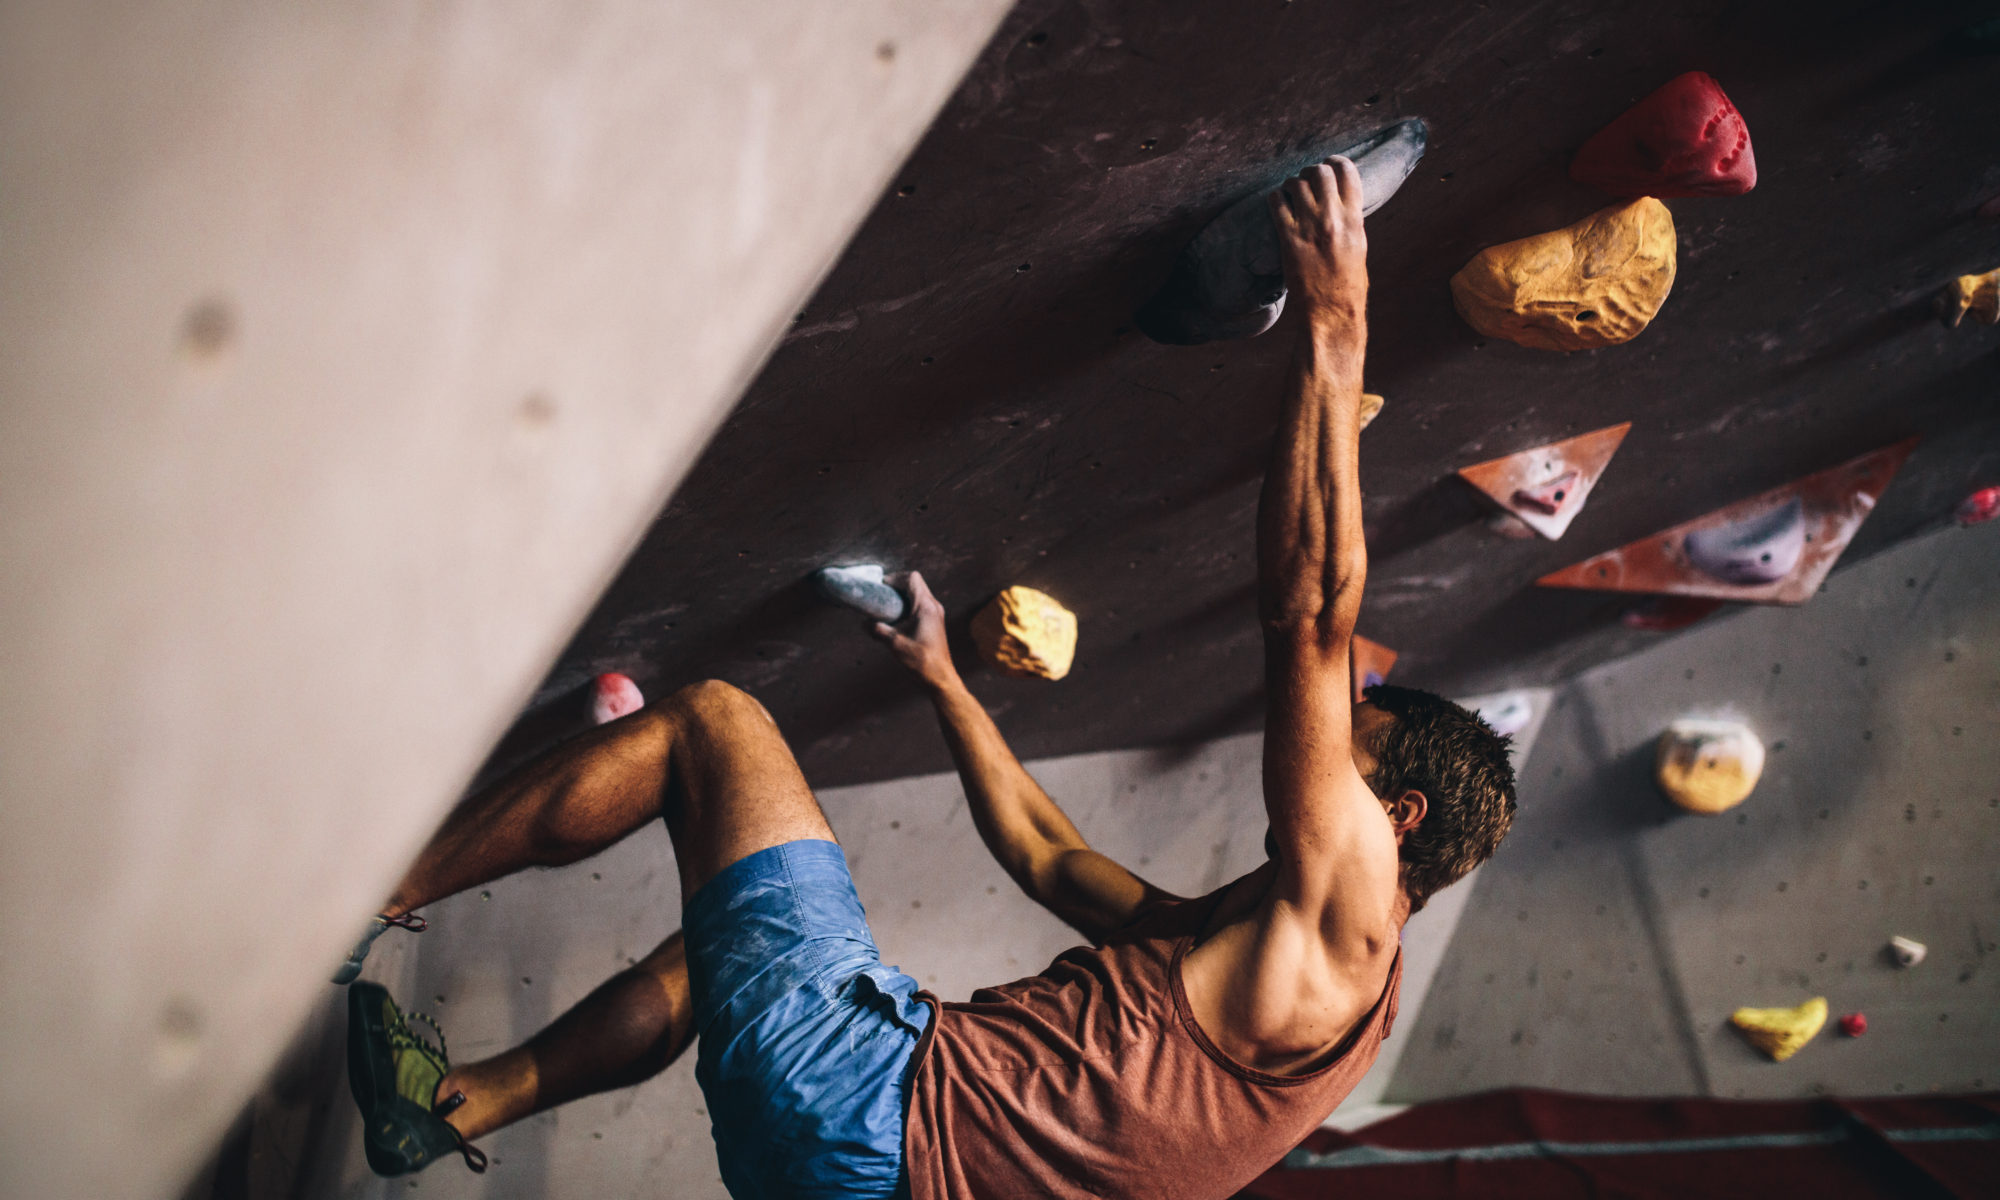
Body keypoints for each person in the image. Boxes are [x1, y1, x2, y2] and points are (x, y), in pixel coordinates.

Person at [341, 156, 1517, 1198]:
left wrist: (1336, 312)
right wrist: (947, 682)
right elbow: (1051, 859)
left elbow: (1309, 617)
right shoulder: (1289, 979)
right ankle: (450, 1110)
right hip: (836, 1170)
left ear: (1397, 818)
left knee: (710, 726)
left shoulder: (1345, 923)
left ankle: (353, 905)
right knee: (728, 935)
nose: (1318, 745)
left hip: (868, 1105)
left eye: (1351, 745)